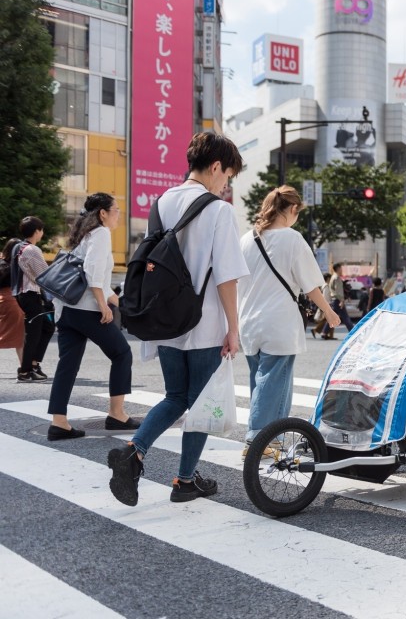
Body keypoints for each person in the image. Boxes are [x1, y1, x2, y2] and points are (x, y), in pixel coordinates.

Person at [108, 132, 249, 506]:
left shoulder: (162, 202)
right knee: (200, 405)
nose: (225, 185)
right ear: (216, 166)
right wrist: (234, 328)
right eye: (227, 177)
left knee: (175, 396)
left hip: (165, 320)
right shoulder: (219, 210)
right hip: (203, 324)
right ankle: (184, 480)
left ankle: (134, 451)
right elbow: (227, 275)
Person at [238, 185, 340, 455]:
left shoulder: (247, 239)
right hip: (278, 322)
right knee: (274, 381)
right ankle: (258, 439)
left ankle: (271, 438)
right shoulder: (292, 239)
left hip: (248, 321)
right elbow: (311, 286)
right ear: (293, 209)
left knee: (262, 382)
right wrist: (328, 312)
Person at [45, 193, 137, 441]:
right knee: (122, 353)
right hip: (86, 310)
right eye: (116, 210)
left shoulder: (82, 236)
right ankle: (117, 414)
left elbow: (100, 283)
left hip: (67, 310)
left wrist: (122, 304)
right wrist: (103, 306)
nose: (118, 214)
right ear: (103, 213)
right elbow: (92, 273)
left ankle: (59, 422)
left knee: (68, 364)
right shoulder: (101, 234)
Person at [11, 216, 55, 382]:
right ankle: (25, 371)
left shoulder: (18, 247)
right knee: (34, 333)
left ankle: (33, 364)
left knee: (47, 327)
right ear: (37, 231)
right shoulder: (32, 250)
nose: (42, 232)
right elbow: (45, 275)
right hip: (30, 294)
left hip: (24, 294)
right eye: (41, 229)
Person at [0, 239, 25, 370]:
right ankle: (25, 367)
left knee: (16, 336)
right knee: (19, 337)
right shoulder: (11, 267)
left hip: (4, 300)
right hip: (10, 301)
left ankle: (25, 366)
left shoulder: (3, 264)